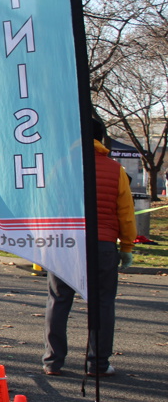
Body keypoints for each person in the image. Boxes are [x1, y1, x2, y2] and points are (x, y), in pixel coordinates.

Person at [43, 119, 137, 377]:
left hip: (64, 243)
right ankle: (98, 364)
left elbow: (48, 205)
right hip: (102, 244)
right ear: (101, 138)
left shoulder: (60, 166)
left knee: (59, 300)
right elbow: (125, 213)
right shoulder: (115, 170)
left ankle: (52, 361)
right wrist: (127, 246)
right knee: (102, 303)